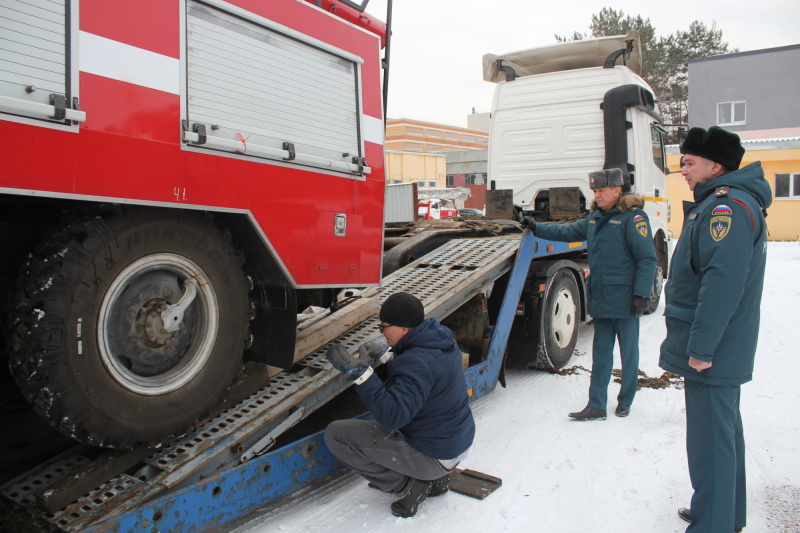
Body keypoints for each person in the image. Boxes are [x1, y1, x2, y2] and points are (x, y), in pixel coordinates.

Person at [659, 126, 771, 533]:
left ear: (715, 166)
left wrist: (702, 347)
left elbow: (722, 284)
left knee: (709, 441)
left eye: (688, 163)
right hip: (720, 345)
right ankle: (722, 511)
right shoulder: (726, 202)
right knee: (721, 435)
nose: (682, 170)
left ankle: (713, 524)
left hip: (714, 348)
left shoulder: (726, 208)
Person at [323, 292, 475, 518]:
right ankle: (437, 476)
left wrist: (361, 374)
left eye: (384, 326)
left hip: (433, 453)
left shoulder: (416, 363)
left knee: (335, 434)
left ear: (404, 329)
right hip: (456, 443)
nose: (381, 331)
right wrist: (387, 354)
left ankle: (410, 484)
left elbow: (393, 416)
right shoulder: (441, 338)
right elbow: (424, 373)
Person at [523, 168, 657, 420]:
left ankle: (625, 399)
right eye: (595, 190)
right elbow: (566, 232)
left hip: (627, 300)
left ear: (617, 190)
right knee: (601, 354)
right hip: (603, 299)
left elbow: (647, 259)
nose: (597, 194)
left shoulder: (633, 219)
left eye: (601, 190)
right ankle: (596, 404)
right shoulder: (595, 218)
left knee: (629, 354)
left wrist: (642, 295)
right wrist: (536, 227)